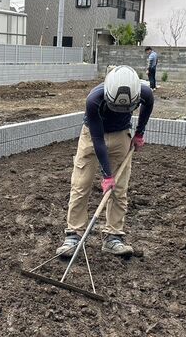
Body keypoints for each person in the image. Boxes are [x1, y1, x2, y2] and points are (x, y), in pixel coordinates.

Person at [56, 65, 155, 257]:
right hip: (93, 137)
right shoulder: (94, 99)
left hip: (121, 135)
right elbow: (98, 140)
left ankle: (113, 237)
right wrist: (107, 175)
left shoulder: (145, 92)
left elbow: (148, 106)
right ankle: (73, 236)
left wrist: (140, 132)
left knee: (119, 189)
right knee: (80, 185)